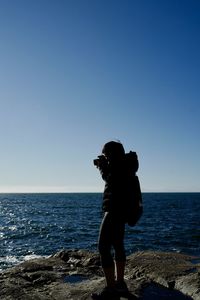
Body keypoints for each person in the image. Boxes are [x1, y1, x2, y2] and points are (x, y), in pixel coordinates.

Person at [92, 141, 139, 300]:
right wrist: (105, 166)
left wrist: (103, 168)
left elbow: (111, 180)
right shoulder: (127, 165)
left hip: (114, 211)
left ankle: (111, 289)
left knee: (103, 247)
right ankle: (120, 284)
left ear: (112, 154)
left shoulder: (118, 167)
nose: (104, 158)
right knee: (118, 245)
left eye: (105, 155)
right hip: (122, 211)